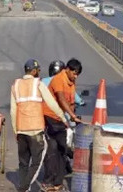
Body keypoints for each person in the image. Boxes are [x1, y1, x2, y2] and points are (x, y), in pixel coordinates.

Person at [12, 59, 67, 192]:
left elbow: (13, 111)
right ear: (34, 71)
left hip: (21, 131)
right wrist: (63, 117)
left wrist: (16, 131)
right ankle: (23, 188)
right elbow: (52, 103)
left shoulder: (16, 85)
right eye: (38, 71)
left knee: (23, 163)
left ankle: (24, 187)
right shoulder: (38, 84)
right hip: (36, 130)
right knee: (36, 163)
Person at [42, 59, 85, 190]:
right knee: (53, 149)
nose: (75, 76)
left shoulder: (71, 82)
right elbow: (61, 98)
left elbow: (71, 100)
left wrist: (72, 116)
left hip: (62, 119)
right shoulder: (58, 80)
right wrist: (72, 116)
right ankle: (48, 181)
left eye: (77, 74)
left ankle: (57, 183)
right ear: (67, 69)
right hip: (50, 117)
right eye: (74, 73)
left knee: (62, 150)